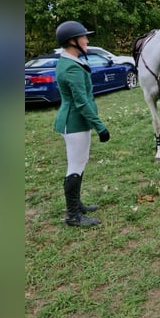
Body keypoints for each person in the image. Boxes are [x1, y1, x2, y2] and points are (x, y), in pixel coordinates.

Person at [53, 20, 110, 227]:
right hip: (74, 123)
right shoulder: (71, 68)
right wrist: (100, 126)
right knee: (75, 165)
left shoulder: (70, 62)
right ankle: (72, 215)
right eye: (83, 37)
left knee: (79, 162)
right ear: (72, 41)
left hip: (75, 122)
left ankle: (76, 205)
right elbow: (81, 102)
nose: (87, 40)